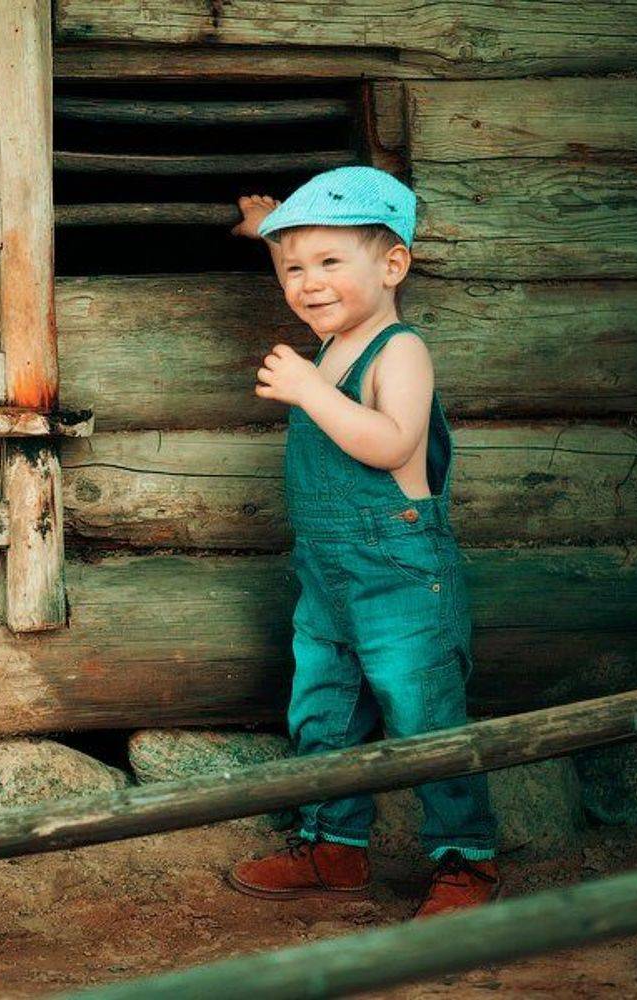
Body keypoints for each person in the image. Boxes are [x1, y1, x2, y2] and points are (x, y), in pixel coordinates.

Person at [225, 166, 501, 919]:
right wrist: (271, 233)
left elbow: (392, 442)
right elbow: (314, 274)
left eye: (328, 263)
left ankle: (465, 857)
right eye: (293, 269)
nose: (307, 283)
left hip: (400, 571)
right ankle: (333, 846)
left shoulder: (396, 351)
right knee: (324, 708)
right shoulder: (335, 338)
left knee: (422, 711)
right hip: (328, 572)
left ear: (393, 266)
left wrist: (310, 391)